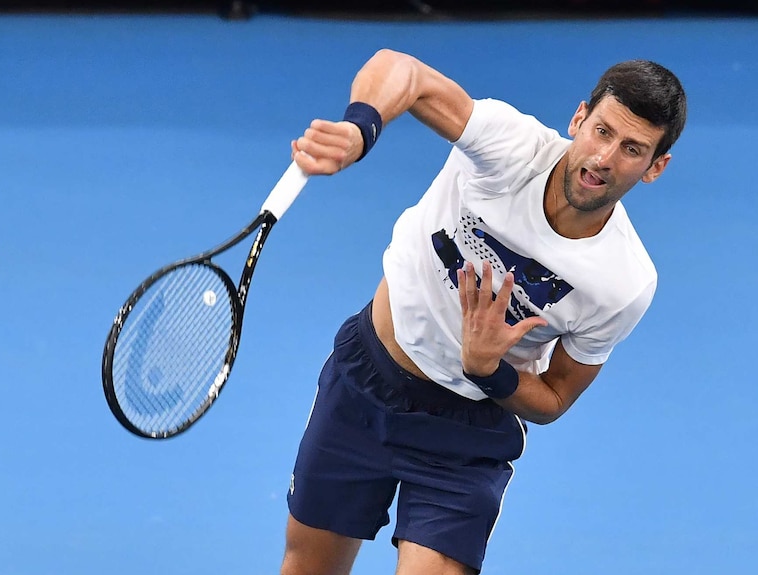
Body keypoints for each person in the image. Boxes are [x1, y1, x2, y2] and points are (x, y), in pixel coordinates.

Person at [280, 49, 687, 575]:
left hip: (468, 432)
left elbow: (556, 396)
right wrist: (361, 129)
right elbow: (404, 72)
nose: (605, 158)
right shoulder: (510, 147)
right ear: (579, 118)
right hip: (368, 381)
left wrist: (489, 371)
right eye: (602, 131)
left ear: (656, 168)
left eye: (632, 149)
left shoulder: (623, 282)